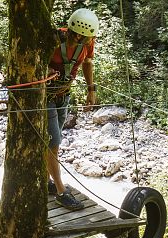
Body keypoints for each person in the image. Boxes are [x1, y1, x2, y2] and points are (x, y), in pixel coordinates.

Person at [45, 8, 99, 210]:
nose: (80, 40)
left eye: (84, 38)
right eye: (76, 36)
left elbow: (87, 63)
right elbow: (35, 63)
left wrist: (91, 89)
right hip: (45, 96)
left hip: (63, 95)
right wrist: (46, 69)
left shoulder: (88, 42)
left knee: (54, 139)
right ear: (69, 30)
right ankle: (60, 191)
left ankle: (45, 181)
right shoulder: (53, 40)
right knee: (53, 142)